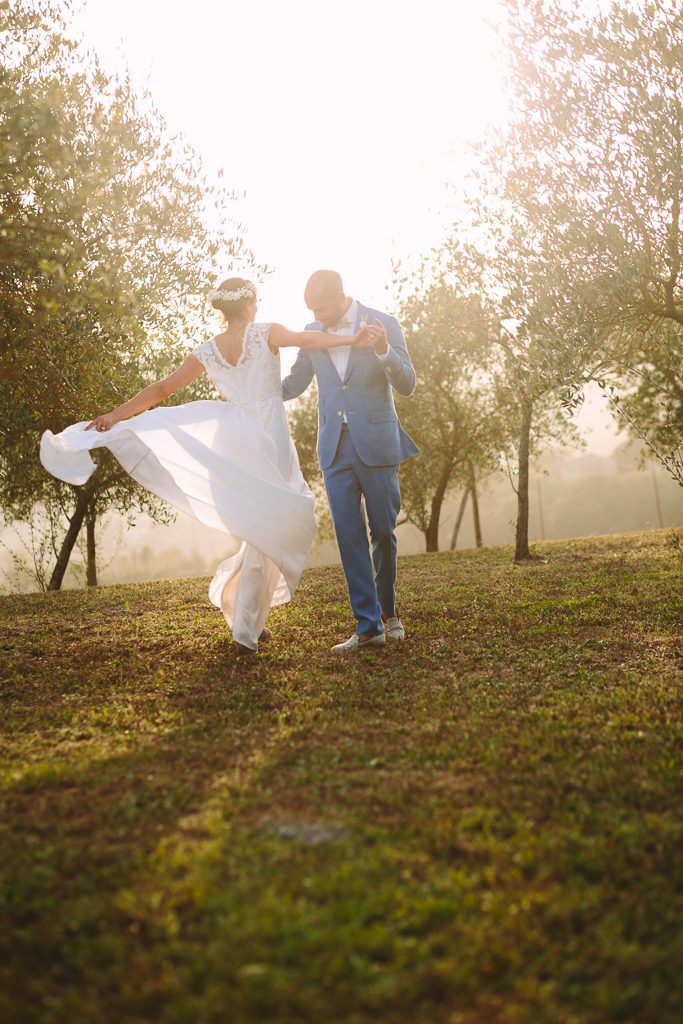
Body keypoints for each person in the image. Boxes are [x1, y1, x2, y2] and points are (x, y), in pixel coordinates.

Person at [40, 278, 372, 654]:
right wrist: (353, 339)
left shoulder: (208, 350)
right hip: (268, 436)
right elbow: (307, 340)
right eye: (256, 302)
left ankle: (244, 612)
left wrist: (116, 415)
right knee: (278, 521)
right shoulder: (267, 332)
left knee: (264, 528)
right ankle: (245, 626)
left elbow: (161, 390)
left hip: (231, 439)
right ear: (248, 306)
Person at [282, 270, 419, 652]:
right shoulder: (312, 331)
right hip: (333, 447)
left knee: (383, 533)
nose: (318, 316)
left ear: (342, 297)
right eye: (312, 310)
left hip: (377, 442)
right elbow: (294, 384)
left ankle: (390, 614)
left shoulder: (384, 322)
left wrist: (382, 351)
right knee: (349, 536)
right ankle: (367, 626)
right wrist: (254, 392)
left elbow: (407, 384)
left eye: (322, 308)